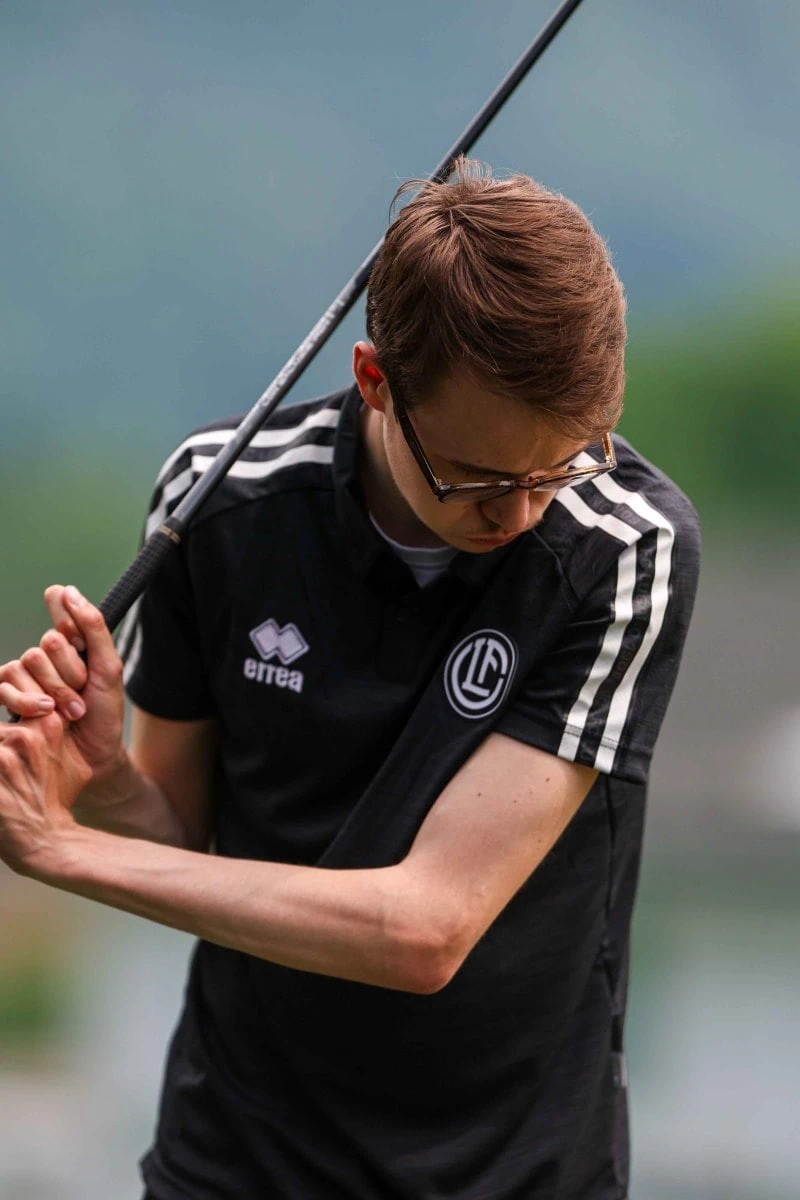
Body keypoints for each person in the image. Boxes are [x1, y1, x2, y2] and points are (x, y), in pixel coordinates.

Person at [0, 157, 700, 1200]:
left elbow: (423, 930)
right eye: (479, 479)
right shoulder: (218, 502)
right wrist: (103, 783)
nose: (518, 515)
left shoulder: (623, 550)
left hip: (512, 1175)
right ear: (375, 381)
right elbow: (188, 849)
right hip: (235, 1160)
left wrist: (61, 851)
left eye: (561, 465)